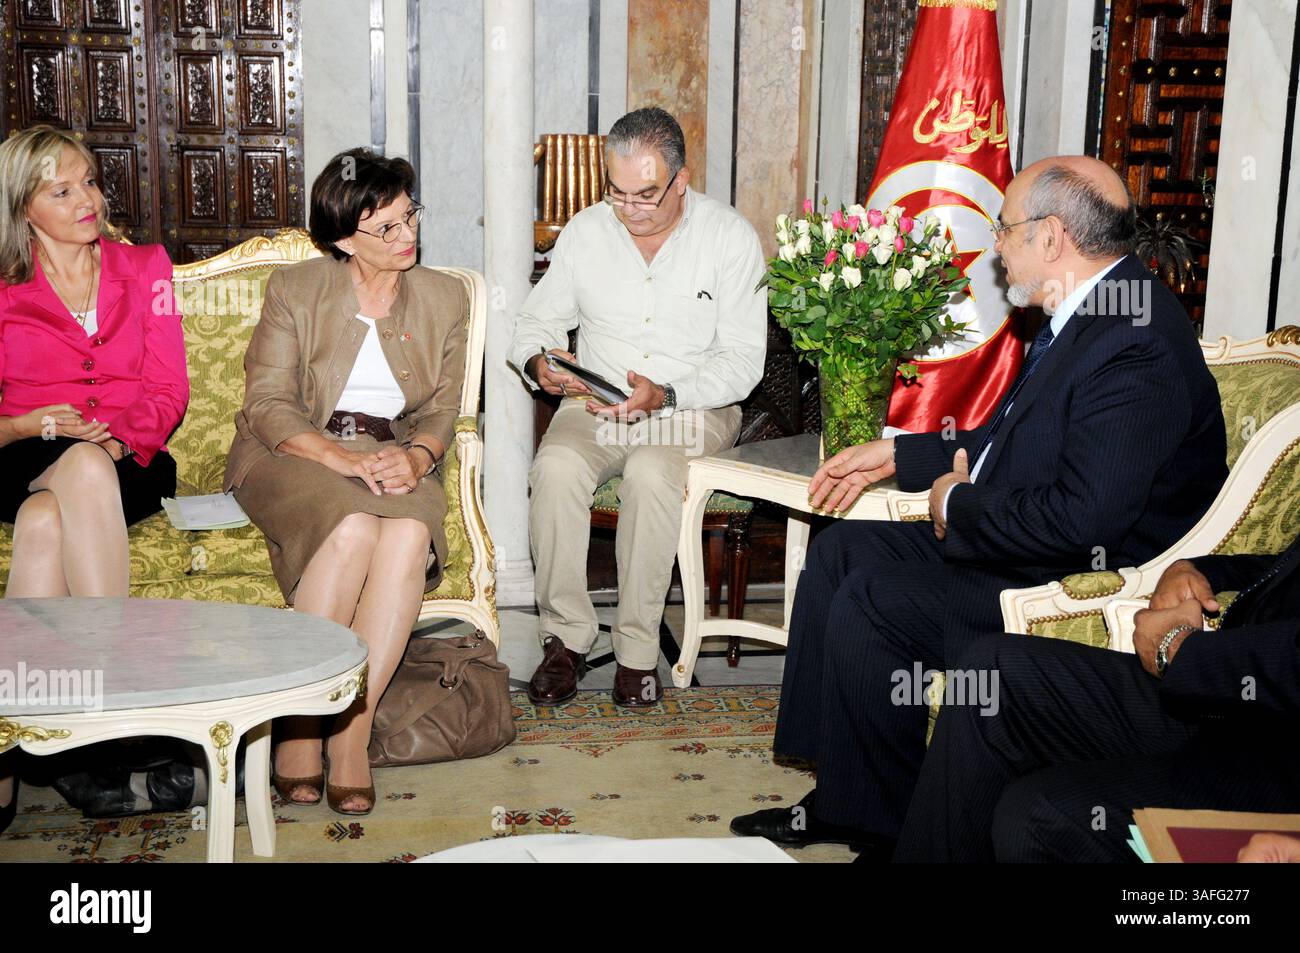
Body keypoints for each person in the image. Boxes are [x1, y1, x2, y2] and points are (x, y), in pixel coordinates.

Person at [731, 155, 1228, 855]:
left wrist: (958, 505)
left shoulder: (1135, 344)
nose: (996, 245)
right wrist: (902, 455)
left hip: (1079, 574)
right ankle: (849, 798)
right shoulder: (1087, 310)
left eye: (1005, 229)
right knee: (841, 548)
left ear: (1052, 238)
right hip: (1023, 525)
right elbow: (1007, 440)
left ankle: (891, 827)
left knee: (873, 598)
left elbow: (1082, 522)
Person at [225, 148, 467, 815]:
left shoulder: (445, 296)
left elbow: (444, 407)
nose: (407, 235)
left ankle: (353, 729)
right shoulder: (296, 290)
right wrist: (343, 461)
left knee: (407, 532)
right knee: (355, 522)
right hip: (294, 452)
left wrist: (418, 457)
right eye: (385, 227)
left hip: (394, 450)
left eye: (409, 215)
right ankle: (302, 720)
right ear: (341, 239)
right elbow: (267, 404)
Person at [509, 107, 767, 707]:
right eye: (618, 193)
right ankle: (566, 640)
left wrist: (667, 394)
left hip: (693, 409)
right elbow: (536, 320)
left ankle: (636, 652)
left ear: (680, 180)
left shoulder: (729, 237)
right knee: (554, 469)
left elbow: (742, 363)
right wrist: (537, 364)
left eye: (646, 194)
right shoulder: (587, 231)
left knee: (652, 474)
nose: (629, 209)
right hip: (596, 404)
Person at [894, 531, 1300, 862]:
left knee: (1034, 815)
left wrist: (1178, 651)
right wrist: (1197, 569)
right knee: (992, 673)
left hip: (1275, 756)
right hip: (1241, 699)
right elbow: (1286, 575)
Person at [0, 125, 188, 834]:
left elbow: (170, 389)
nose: (88, 199)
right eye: (63, 190)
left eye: (89, 181)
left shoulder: (148, 268)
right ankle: (114, 717)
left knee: (50, 517)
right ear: (25, 209)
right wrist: (32, 426)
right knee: (65, 470)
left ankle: (12, 743)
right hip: (21, 450)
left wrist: (117, 440)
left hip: (131, 456)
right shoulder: (3, 289)